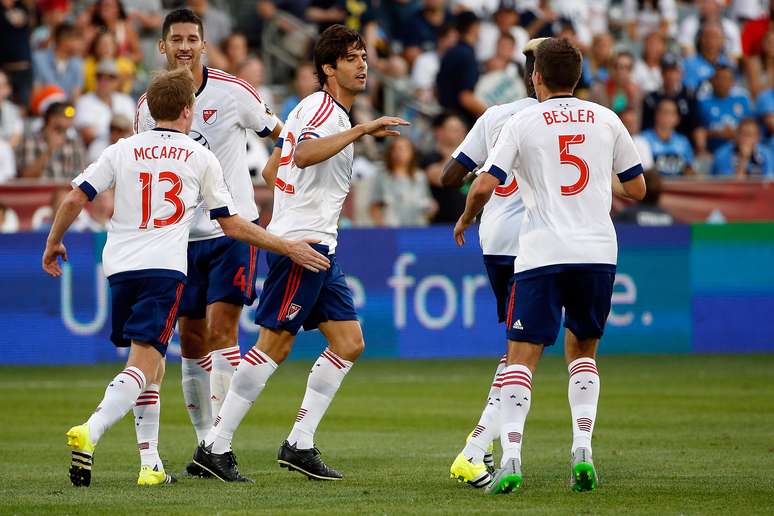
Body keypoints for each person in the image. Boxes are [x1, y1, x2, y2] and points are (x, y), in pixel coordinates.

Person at [43, 67, 329, 488]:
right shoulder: (199, 156)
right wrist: (287, 245)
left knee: (151, 361)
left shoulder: (122, 149)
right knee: (145, 364)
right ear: (187, 110)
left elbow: (74, 197)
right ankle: (93, 428)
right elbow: (231, 225)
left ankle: (150, 464)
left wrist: (53, 242)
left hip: (119, 267)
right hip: (163, 268)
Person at [193, 24, 409, 483]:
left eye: (363, 55)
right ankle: (215, 445)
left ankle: (299, 443)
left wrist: (295, 198)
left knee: (349, 343)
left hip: (320, 244)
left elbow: (276, 168)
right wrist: (364, 130)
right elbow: (306, 154)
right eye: (351, 58)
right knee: (274, 344)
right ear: (329, 69)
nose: (362, 64)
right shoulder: (321, 108)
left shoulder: (316, 111)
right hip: (301, 247)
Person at [455, 37, 646, 494]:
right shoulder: (606, 117)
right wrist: (597, 187)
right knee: (582, 352)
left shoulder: (523, 120)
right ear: (577, 77)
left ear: (536, 76)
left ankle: (512, 458)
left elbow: (484, 185)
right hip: (598, 251)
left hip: (542, 252)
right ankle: (582, 448)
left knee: (521, 357)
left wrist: (465, 216)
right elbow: (637, 188)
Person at [134, 8, 283, 478]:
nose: (183, 46)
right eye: (175, 39)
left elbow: (282, 134)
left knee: (223, 332)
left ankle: (219, 445)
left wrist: (278, 175)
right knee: (192, 340)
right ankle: (205, 446)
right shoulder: (148, 106)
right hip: (181, 239)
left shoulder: (234, 92)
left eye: (191, 39)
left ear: (203, 45)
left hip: (231, 232)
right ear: (162, 46)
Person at [441, 37, 544, 490]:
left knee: (518, 350)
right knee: (523, 354)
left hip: (494, 242)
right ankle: (476, 449)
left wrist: (481, 175)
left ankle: (478, 447)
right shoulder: (556, 119)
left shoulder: (495, 115)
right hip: (537, 245)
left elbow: (449, 177)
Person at [369, 136, 435, 227]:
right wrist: (382, 227)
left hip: (417, 228)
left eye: (404, 149)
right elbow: (375, 206)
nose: (400, 153)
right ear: (390, 153)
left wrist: (431, 209)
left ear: (412, 152)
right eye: (396, 149)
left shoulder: (420, 176)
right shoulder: (382, 176)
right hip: (392, 230)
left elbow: (428, 203)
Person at [436, 11, 487, 126]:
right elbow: (465, 97)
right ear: (474, 27)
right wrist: (494, 116)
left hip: (447, 118)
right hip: (460, 122)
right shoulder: (466, 54)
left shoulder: (453, 51)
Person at [74, 59, 135, 150]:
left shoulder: (126, 101)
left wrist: (101, 130)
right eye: (100, 76)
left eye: (110, 77)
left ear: (117, 81)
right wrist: (118, 132)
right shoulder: (84, 101)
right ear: (95, 79)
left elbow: (135, 130)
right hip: (97, 152)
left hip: (126, 150)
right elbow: (87, 134)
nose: (104, 81)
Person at [17, 102, 87, 180]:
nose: (71, 121)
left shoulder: (74, 144)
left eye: (72, 118)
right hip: (39, 191)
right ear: (52, 118)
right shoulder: (30, 141)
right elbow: (26, 177)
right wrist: (49, 149)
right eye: (67, 117)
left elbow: (83, 176)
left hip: (68, 191)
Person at [695, 64, 753, 153]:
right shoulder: (702, 102)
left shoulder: (742, 99)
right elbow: (698, 131)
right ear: (712, 81)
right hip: (713, 150)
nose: (722, 82)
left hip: (741, 150)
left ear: (733, 82)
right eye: (719, 78)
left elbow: (751, 127)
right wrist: (717, 133)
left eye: (726, 79)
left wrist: (735, 133)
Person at [640, 99, 695, 176]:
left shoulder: (683, 142)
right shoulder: (643, 139)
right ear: (656, 115)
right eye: (664, 112)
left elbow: (689, 169)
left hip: (678, 186)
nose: (666, 116)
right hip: (652, 186)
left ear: (677, 119)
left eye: (671, 113)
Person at [32, 22, 84, 100]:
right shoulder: (38, 59)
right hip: (44, 108)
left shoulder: (78, 63)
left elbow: (75, 96)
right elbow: (36, 93)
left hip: (67, 110)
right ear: (64, 41)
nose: (81, 44)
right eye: (77, 40)